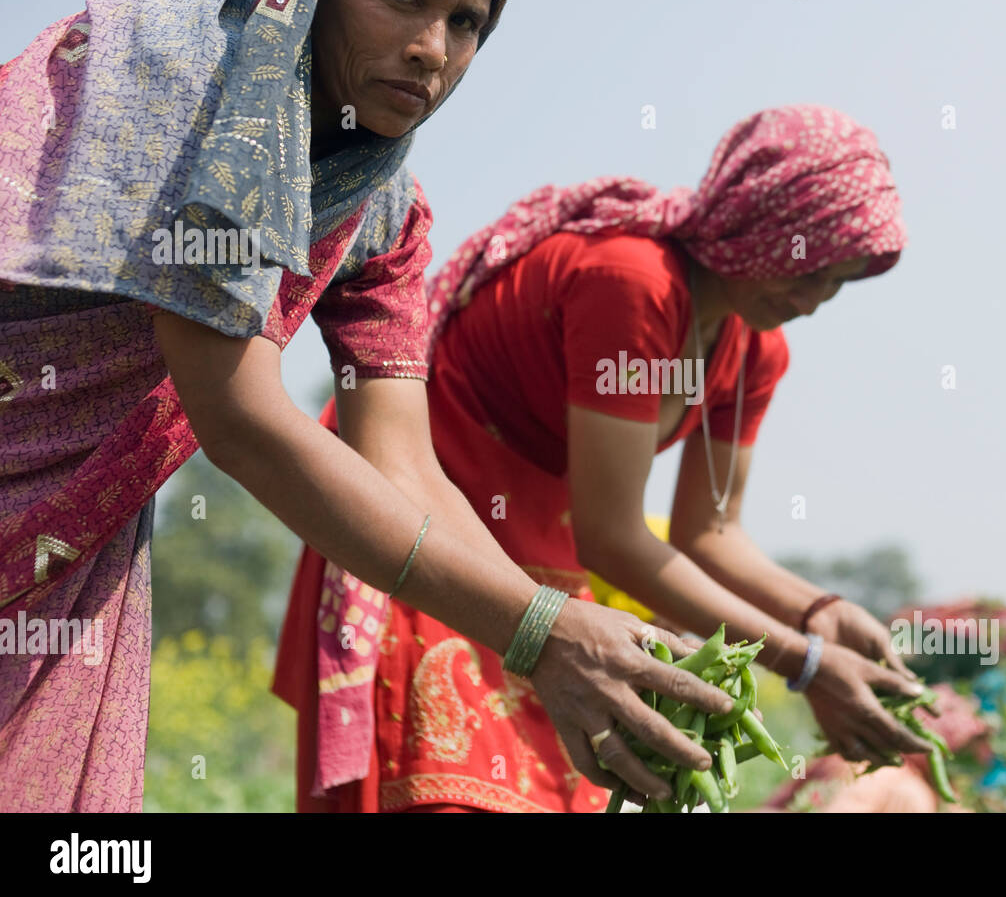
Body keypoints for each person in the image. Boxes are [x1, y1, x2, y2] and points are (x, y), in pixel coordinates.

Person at [2, 0, 731, 814]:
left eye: (467, 21)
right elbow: (238, 412)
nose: (433, 48)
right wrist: (536, 630)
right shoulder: (192, 77)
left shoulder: (380, 203)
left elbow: (406, 465)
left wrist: (553, 631)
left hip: (74, 546)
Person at [276, 104, 936, 812]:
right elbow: (613, 536)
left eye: (836, 283)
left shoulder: (755, 350)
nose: (811, 301)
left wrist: (819, 612)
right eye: (805, 270)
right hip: (436, 548)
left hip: (551, 584)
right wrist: (802, 664)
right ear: (757, 222)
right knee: (448, 790)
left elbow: (709, 532)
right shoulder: (632, 282)